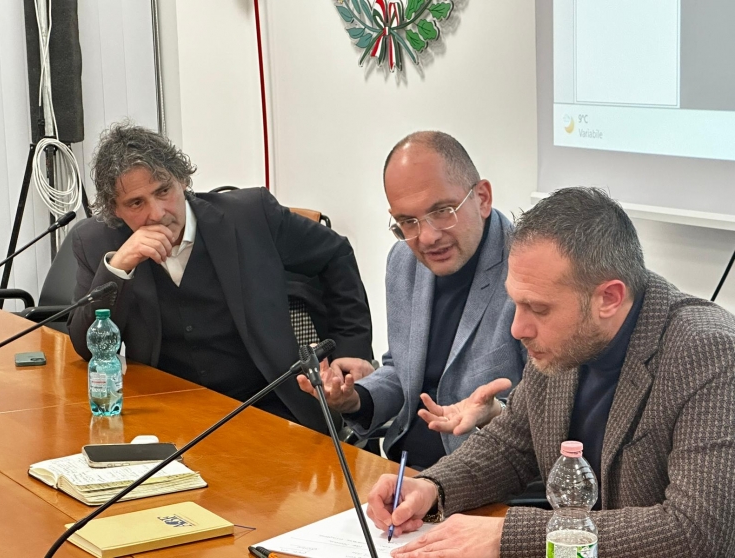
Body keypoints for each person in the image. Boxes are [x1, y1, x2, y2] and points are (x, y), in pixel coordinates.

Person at [366, 187, 735, 557]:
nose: (518, 329)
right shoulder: (564, 342)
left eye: (538, 309)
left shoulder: (709, 354)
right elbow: (510, 446)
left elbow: (697, 531)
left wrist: (508, 537)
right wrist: (433, 488)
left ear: (609, 298)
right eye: (515, 303)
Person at [68, 123, 373, 434]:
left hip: (270, 405)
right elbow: (86, 346)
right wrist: (119, 268)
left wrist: (352, 349)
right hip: (164, 410)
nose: (157, 213)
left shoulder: (252, 215)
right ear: (115, 210)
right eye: (136, 203)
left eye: (163, 191)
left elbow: (335, 254)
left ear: (182, 180)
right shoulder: (97, 242)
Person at [298, 131, 525, 469]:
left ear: (482, 198)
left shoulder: (528, 269)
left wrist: (495, 413)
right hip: (401, 468)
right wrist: (355, 398)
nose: (428, 237)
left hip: (484, 476)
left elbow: (551, 414)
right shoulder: (403, 262)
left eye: (443, 211)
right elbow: (402, 371)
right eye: (408, 221)